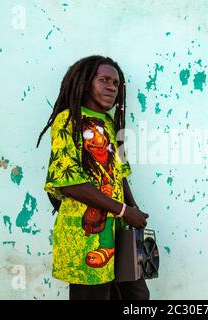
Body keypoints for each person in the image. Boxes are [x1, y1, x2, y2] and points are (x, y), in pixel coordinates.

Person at [36, 55, 150, 300]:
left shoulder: (110, 123)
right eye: (104, 80)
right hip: (84, 234)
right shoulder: (68, 120)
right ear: (85, 83)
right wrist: (123, 210)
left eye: (116, 83)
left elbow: (120, 174)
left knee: (137, 295)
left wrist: (133, 211)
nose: (112, 87)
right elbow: (69, 183)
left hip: (118, 229)